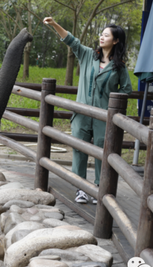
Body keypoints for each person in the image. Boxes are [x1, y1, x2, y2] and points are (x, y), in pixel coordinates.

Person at [43, 17, 132, 204]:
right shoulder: (87, 55)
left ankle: (100, 188)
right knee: (79, 151)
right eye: (101, 34)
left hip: (103, 117)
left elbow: (126, 89)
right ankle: (81, 189)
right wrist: (54, 24)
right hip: (82, 114)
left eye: (106, 35)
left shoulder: (119, 67)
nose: (101, 37)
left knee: (102, 152)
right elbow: (71, 40)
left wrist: (111, 103)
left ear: (115, 41)